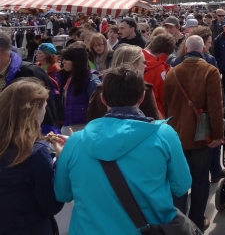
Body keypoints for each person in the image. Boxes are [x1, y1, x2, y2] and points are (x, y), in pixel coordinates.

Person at [54, 66, 192, 235]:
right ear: (142, 97)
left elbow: (63, 194)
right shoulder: (164, 135)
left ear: (103, 99)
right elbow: (182, 186)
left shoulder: (76, 142)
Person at [164, 35, 225, 231]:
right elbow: (216, 107)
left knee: (179, 181)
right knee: (200, 179)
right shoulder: (210, 71)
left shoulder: (172, 72)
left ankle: (180, 224)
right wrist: (217, 135)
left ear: (185, 49)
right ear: (203, 50)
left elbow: (167, 105)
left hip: (177, 136)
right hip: (201, 136)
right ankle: (197, 220)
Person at [0, 78, 64, 235]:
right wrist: (60, 162)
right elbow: (52, 205)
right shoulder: (33, 152)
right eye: (44, 106)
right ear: (34, 110)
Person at [59, 42, 101, 135]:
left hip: (84, 127)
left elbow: (98, 106)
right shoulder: (65, 77)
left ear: (76, 61)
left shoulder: (91, 80)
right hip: (68, 124)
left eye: (66, 59)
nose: (63, 62)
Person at [143, 32, 176, 116]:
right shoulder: (160, 68)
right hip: (153, 113)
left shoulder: (132, 55)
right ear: (163, 55)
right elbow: (164, 96)